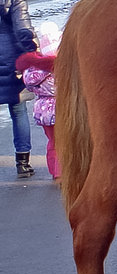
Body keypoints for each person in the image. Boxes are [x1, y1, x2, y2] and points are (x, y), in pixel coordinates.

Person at [0, 0, 38, 178]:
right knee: (18, 110)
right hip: (11, 60)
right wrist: (33, 51)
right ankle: (22, 163)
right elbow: (22, 29)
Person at [17, 22, 61, 180]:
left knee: (52, 142)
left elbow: (29, 86)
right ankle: (63, 171)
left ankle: (54, 171)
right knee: (64, 142)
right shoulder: (57, 69)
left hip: (42, 110)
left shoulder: (31, 70)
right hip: (60, 108)